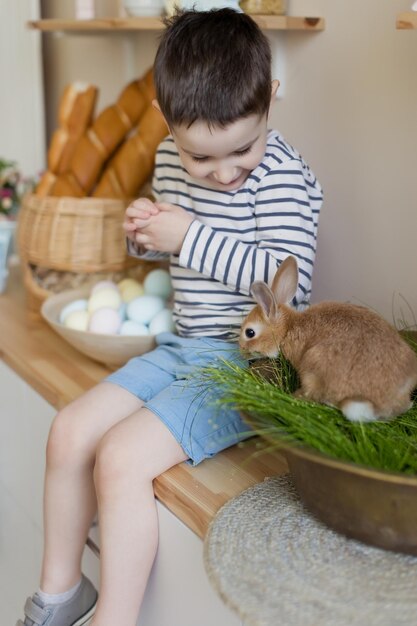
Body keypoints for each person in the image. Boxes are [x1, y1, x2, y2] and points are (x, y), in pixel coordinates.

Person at [17, 8, 323, 626]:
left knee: (121, 458)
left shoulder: (284, 180)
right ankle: (58, 596)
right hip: (183, 347)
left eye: (243, 149)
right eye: (200, 158)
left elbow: (291, 292)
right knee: (71, 430)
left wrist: (187, 235)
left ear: (270, 99)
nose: (224, 173)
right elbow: (169, 245)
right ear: (167, 124)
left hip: (249, 367)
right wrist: (147, 234)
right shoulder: (165, 156)